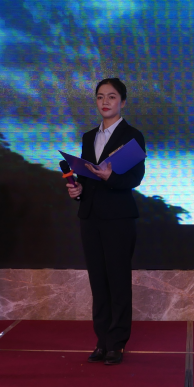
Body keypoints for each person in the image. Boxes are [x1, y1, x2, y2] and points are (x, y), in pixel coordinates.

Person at [65, 78, 147, 366]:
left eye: (111, 97)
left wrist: (111, 176)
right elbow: (86, 177)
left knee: (118, 280)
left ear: (122, 102)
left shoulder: (132, 136)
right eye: (100, 97)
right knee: (98, 281)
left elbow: (135, 178)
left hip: (119, 217)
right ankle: (102, 341)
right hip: (90, 217)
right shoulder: (89, 136)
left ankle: (117, 343)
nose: (105, 102)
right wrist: (77, 190)